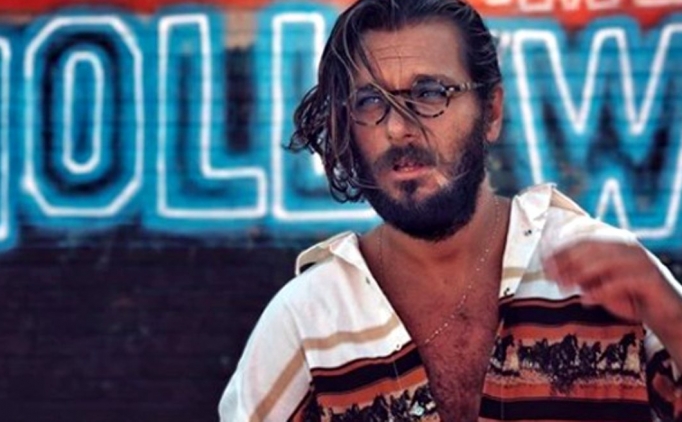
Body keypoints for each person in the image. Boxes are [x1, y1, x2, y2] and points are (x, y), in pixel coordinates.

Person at [219, 0, 682, 420]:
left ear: (491, 111)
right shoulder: (308, 319)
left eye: (429, 93)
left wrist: (669, 311)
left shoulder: (606, 275)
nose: (398, 128)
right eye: (371, 101)